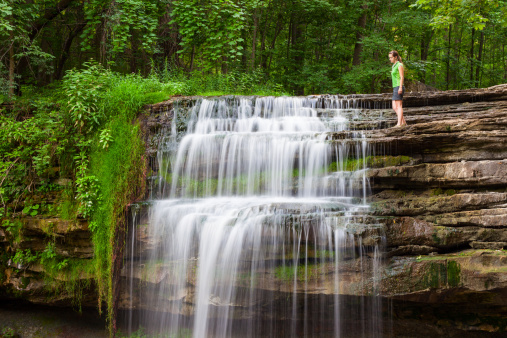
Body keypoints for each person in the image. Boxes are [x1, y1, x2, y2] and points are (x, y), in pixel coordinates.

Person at [389, 50, 406, 127]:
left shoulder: (399, 65)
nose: (390, 59)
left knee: (399, 106)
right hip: (394, 87)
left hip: (398, 86)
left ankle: (399, 124)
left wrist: (400, 88)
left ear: (395, 57)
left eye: (391, 57)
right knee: (394, 107)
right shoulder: (394, 66)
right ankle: (403, 122)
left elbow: (402, 77)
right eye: (389, 58)